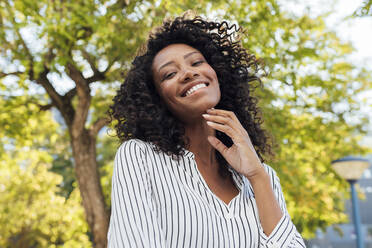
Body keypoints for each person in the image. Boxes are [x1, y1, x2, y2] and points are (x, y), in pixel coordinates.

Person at [108, 13, 306, 248]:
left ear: (218, 74)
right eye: (169, 74)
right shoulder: (140, 157)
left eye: (197, 62)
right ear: (156, 99)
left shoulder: (264, 177)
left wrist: (257, 176)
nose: (189, 73)